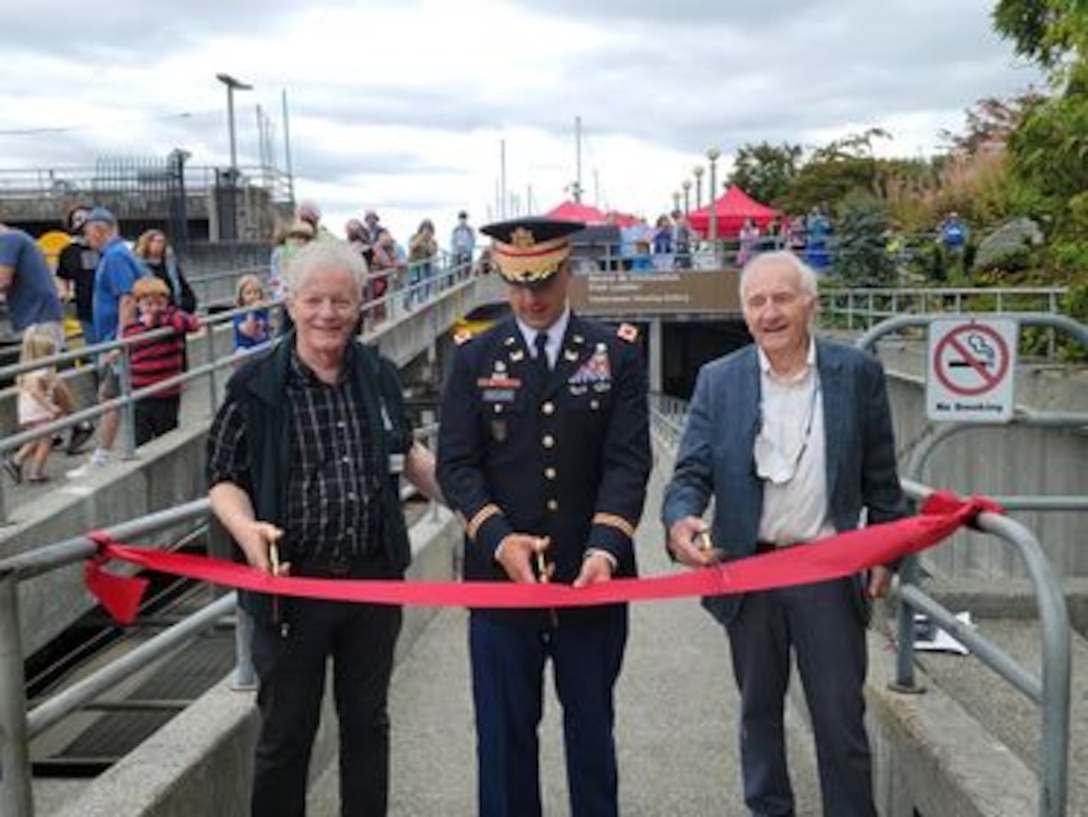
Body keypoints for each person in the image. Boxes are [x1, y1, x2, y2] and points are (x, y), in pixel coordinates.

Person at [661, 250, 908, 817]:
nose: (769, 312)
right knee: (758, 716)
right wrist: (680, 519)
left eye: (782, 298)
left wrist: (887, 551)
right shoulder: (718, 381)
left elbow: (883, 482)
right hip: (748, 571)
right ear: (744, 313)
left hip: (828, 569)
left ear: (809, 305)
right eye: (756, 301)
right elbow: (690, 473)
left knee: (840, 720)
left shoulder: (856, 375)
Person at [206, 240, 441, 817]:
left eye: (341, 301)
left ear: (360, 305)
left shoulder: (380, 376)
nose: (327, 314)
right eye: (314, 300)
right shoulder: (254, 385)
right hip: (292, 590)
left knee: (368, 726)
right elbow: (222, 477)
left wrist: (482, 516)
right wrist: (247, 530)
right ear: (289, 302)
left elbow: (408, 454)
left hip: (371, 583)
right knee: (286, 736)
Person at [437, 216, 652, 817]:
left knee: (591, 739)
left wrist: (604, 548)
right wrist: (499, 538)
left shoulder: (616, 354)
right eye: (517, 282)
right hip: (501, 586)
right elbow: (458, 465)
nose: (531, 297)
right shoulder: (474, 355)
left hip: (593, 584)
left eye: (545, 280)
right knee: (503, 747)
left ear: (568, 270)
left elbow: (627, 463)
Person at [67, 206, 147, 478]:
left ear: (100, 229)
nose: (86, 240)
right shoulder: (118, 254)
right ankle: (102, 455)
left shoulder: (114, 257)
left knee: (109, 396)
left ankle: (101, 458)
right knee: (111, 395)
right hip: (118, 338)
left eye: (87, 233)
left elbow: (127, 298)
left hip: (118, 340)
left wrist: (118, 342)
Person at [121, 276, 200, 446]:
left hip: (167, 392)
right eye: (148, 305)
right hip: (141, 393)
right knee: (141, 440)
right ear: (138, 305)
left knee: (167, 437)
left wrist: (161, 320)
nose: (154, 309)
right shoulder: (134, 326)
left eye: (159, 304)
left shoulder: (171, 319)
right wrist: (149, 326)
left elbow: (192, 324)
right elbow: (129, 340)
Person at [3, 327, 75, 484]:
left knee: (36, 437)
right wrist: (50, 407)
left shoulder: (27, 370)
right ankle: (35, 472)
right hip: (38, 410)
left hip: (30, 410)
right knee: (46, 440)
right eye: (50, 353)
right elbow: (36, 392)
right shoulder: (39, 371)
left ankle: (16, 461)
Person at [0, 221, 66, 347]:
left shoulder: (8, 239)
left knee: (40, 366)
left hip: (39, 321)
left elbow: (2, 281)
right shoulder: (17, 237)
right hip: (42, 318)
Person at [133, 229, 197, 314]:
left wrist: (188, 303)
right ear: (147, 243)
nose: (159, 245)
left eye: (162, 241)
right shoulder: (138, 264)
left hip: (176, 307)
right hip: (153, 311)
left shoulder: (170, 263)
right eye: (156, 241)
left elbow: (183, 284)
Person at [232, 274, 271, 354]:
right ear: (241, 296)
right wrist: (251, 311)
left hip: (263, 348)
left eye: (256, 292)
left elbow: (271, 325)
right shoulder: (239, 313)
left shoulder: (263, 309)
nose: (253, 296)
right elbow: (249, 332)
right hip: (246, 349)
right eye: (248, 293)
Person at [450, 210, 476, 278]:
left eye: (464, 218)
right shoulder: (456, 230)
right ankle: (460, 279)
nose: (463, 220)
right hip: (458, 252)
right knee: (459, 268)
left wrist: (469, 250)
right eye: (461, 218)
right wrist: (454, 251)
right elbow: (453, 241)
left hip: (467, 251)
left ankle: (467, 278)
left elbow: (473, 241)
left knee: (467, 268)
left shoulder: (470, 230)